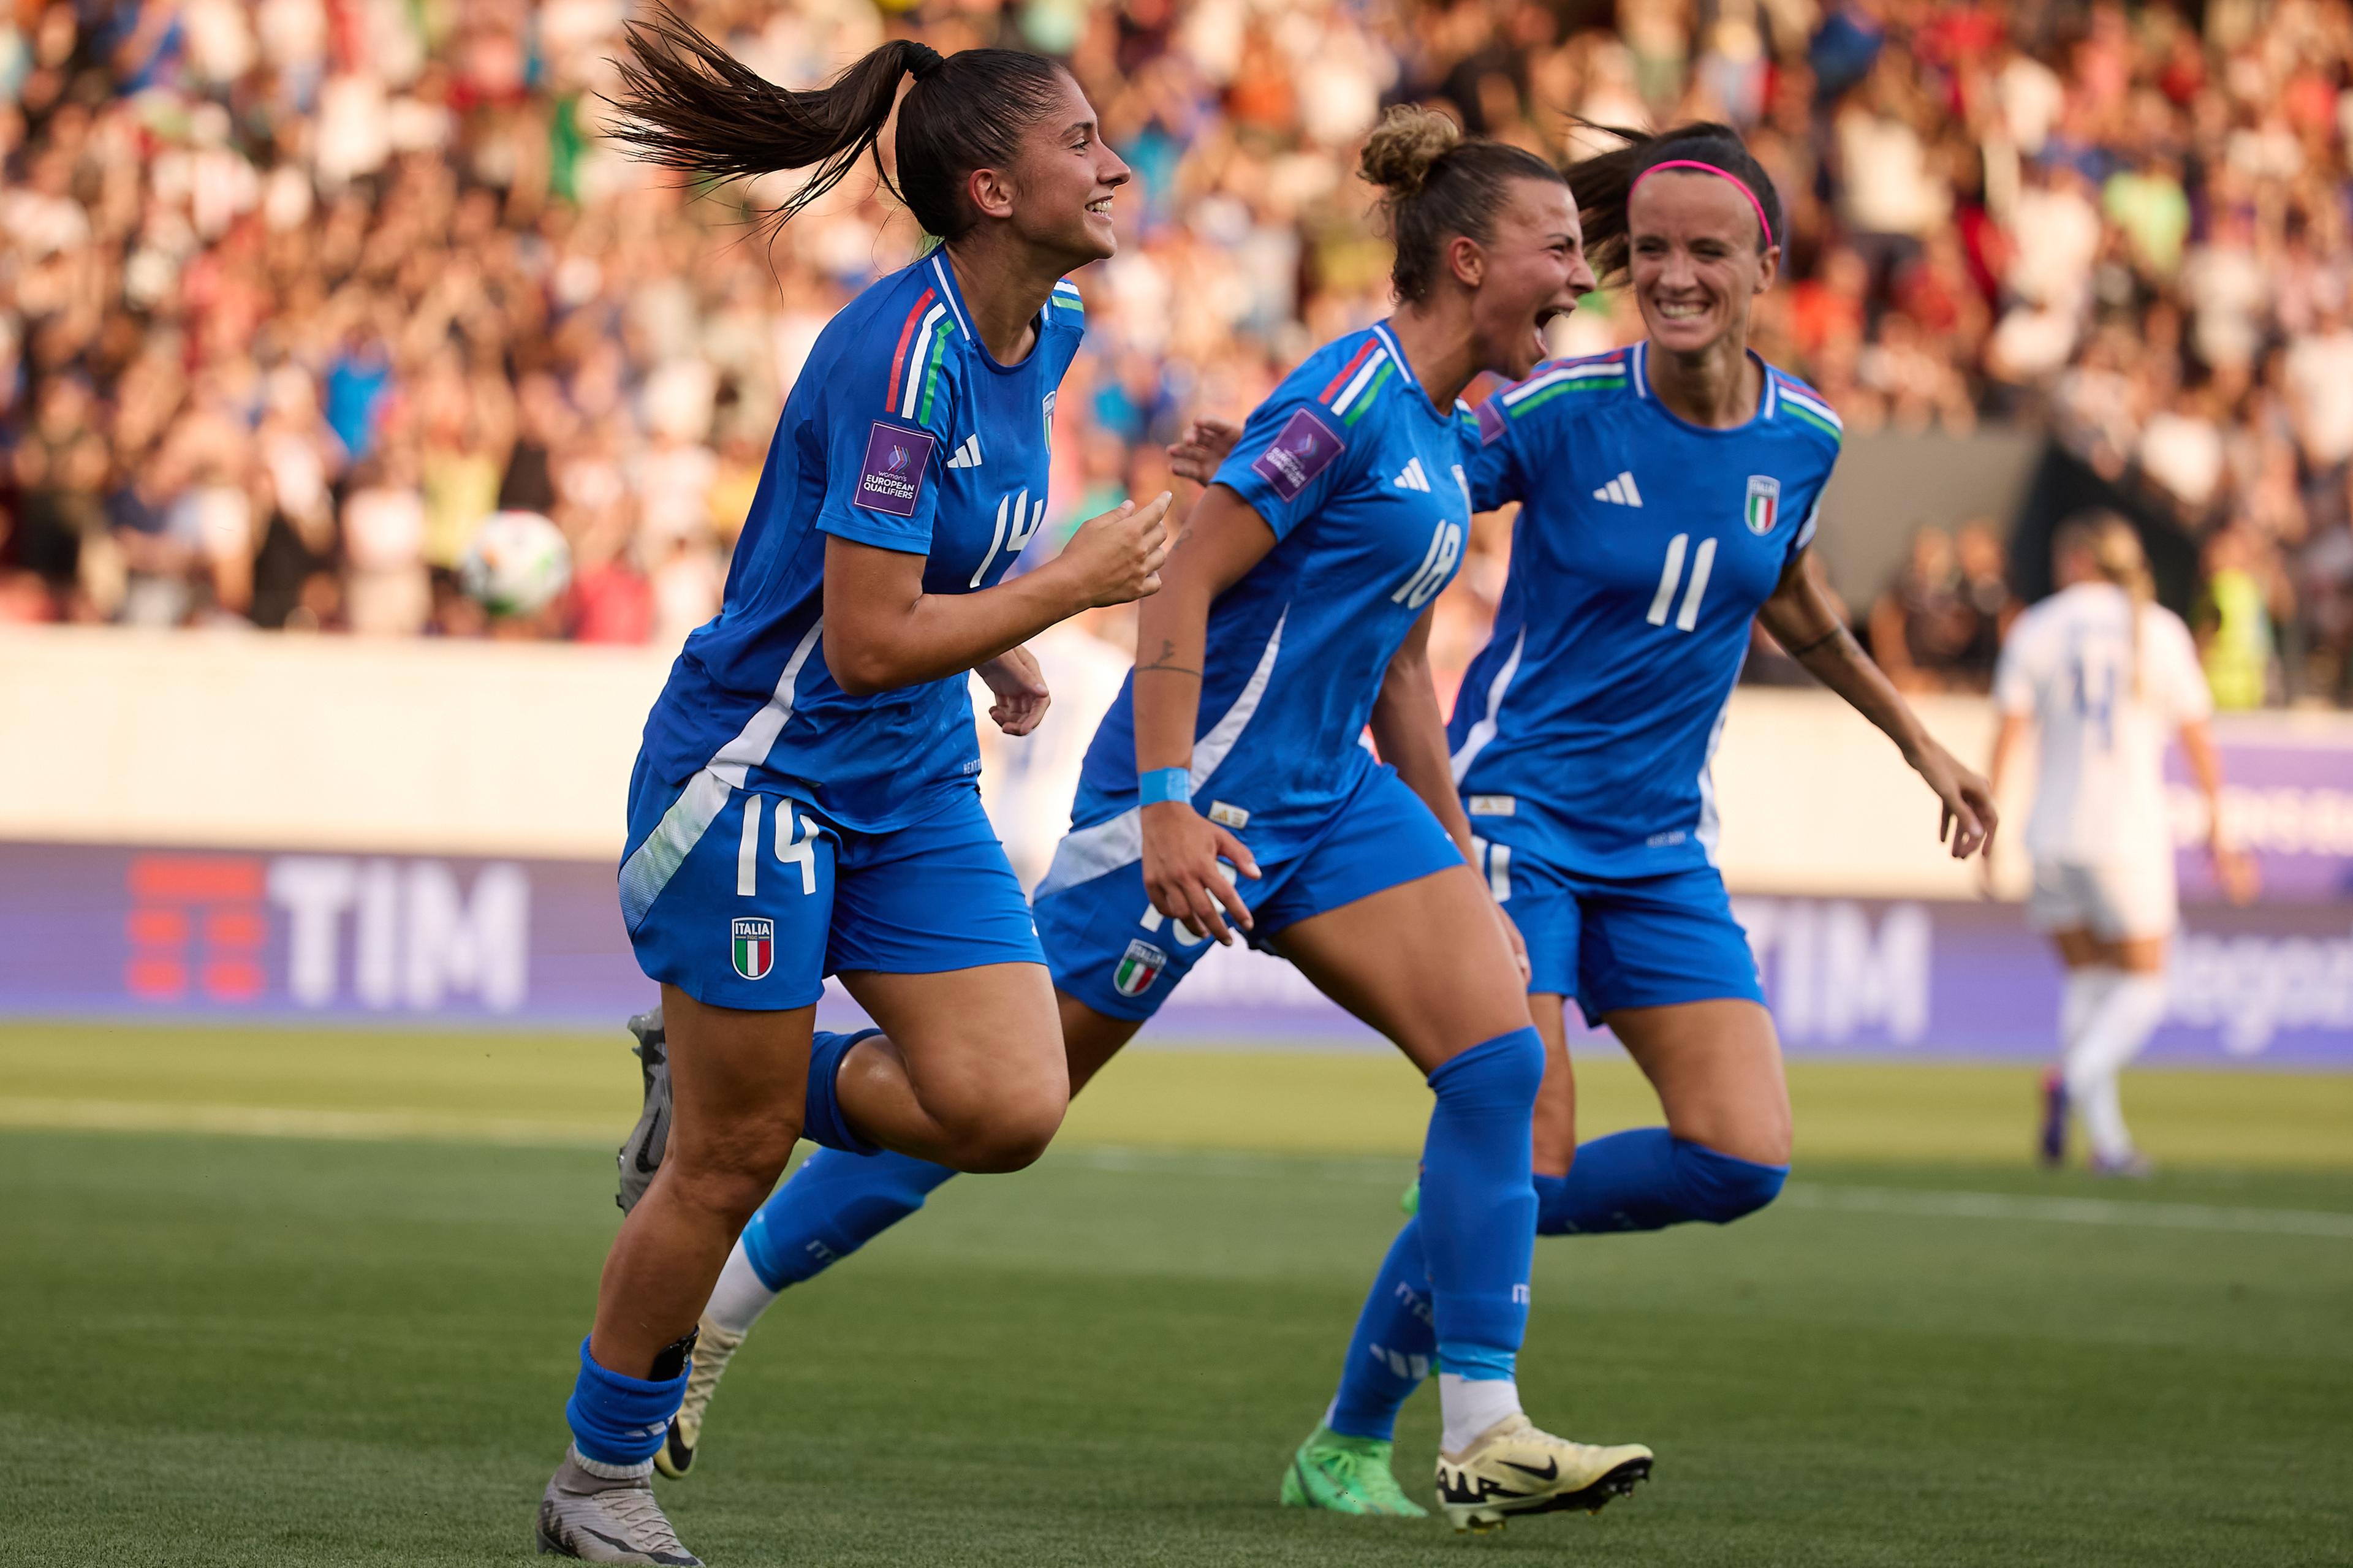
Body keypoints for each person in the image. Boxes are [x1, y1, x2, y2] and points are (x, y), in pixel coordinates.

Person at [635, 106, 1658, 1534]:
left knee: (1496, 1053)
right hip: (1200, 802)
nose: (1581, 278)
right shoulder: (1347, 398)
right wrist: (1167, 804)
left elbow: (1397, 659)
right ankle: (725, 1264)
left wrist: (1455, 853)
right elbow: (1174, 590)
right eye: (1560, 250)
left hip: (1332, 799)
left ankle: (1480, 1425)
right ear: (1470, 257)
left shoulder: (1441, 423)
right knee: (993, 1105)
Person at [536, 21, 1174, 1564]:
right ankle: (595, 1483)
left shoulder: (1054, 326)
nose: (1114, 161)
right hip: (758, 777)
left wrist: (1002, 643)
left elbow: (925, 588)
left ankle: (719, 1066)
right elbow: (867, 635)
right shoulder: (904, 356)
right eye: (1079, 140)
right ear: (988, 187)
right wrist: (1058, 593)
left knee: (1009, 1103)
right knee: (731, 1166)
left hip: (902, 773)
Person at [1304, 120, 1999, 1499]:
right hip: (1517, 812)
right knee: (1531, 1133)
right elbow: (1399, 466)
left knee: (1741, 1155)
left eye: (1709, 252)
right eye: (1652, 252)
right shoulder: (1559, 410)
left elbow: (1789, 595)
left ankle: (1465, 1219)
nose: (1676, 275)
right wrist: (1268, 467)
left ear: (1767, 267)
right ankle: (1358, 1440)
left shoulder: (1805, 433)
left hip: (1661, 840)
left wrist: (1920, 739)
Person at [1987, 513, 2253, 1176]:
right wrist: (2220, 828)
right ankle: (2073, 1079)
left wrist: (1989, 827)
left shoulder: (2037, 626)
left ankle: (2107, 1144)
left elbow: (2009, 735)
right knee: (2145, 990)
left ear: (2078, 559)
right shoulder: (2158, 630)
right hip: (2125, 835)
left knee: (2091, 980)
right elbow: (2198, 736)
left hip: (2050, 833)